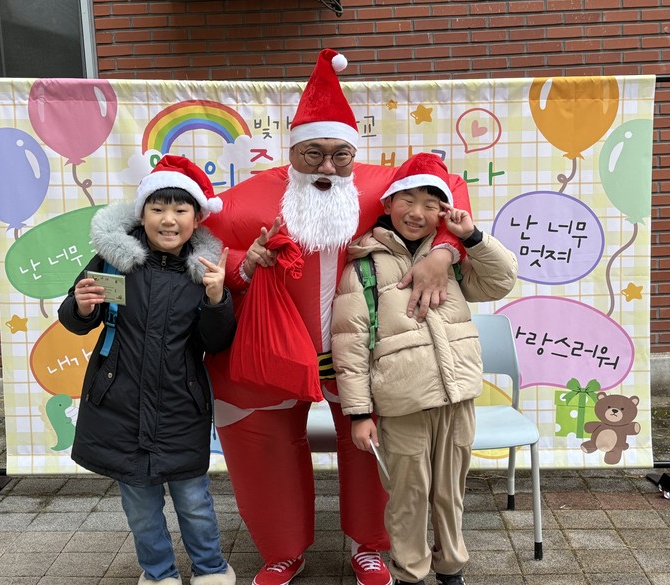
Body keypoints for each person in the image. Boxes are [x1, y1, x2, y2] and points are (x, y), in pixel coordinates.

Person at [202, 50, 472, 585]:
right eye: (313, 154)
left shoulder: (377, 189)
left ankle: (369, 545)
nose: (327, 167)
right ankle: (282, 550)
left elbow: (450, 190)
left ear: (353, 152)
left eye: (339, 155)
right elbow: (196, 239)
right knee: (263, 447)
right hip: (270, 354)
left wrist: (443, 252)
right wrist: (242, 263)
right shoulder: (249, 198)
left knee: (374, 444)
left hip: (364, 354)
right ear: (292, 150)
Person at [331, 153, 519, 585]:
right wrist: (358, 413)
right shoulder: (364, 267)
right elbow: (350, 345)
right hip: (403, 403)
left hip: (458, 397)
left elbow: (501, 280)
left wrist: (470, 238)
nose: (417, 213)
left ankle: (451, 569)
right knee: (408, 497)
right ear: (388, 202)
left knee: (450, 493)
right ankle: (410, 573)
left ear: (443, 213)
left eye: (431, 204)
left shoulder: (453, 260)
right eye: (408, 200)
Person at [58, 155, 237, 585]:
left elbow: (215, 342)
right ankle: (158, 574)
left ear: (196, 218)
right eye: (158, 209)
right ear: (142, 214)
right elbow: (76, 318)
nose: (168, 220)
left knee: (194, 502)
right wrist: (81, 307)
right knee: (140, 507)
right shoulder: (112, 260)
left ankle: (211, 569)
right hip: (118, 404)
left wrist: (217, 300)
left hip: (181, 405)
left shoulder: (205, 271)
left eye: (180, 210)